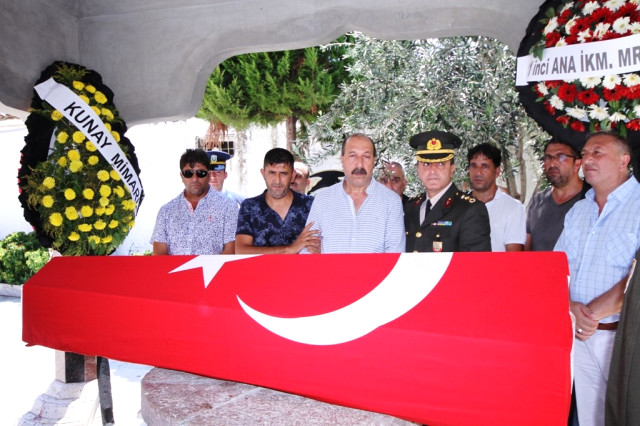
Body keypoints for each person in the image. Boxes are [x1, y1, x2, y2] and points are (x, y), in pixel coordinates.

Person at [554, 131, 640, 426]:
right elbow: (557, 269)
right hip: (579, 335)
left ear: (623, 161)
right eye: (585, 154)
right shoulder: (579, 211)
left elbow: (637, 278)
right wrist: (571, 308)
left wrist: (591, 313)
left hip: (624, 338)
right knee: (591, 419)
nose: (587, 159)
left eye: (597, 153)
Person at [304, 133, 405, 253]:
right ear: (342, 159)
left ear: (374, 160)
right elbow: (307, 250)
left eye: (366, 156)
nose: (359, 164)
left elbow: (395, 255)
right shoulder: (323, 199)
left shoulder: (391, 201)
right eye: (353, 156)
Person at [404, 130, 491, 252]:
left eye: (440, 164)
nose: (432, 171)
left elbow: (475, 262)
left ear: (452, 169)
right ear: (418, 169)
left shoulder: (470, 210)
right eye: (426, 164)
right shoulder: (410, 207)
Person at [151, 149, 238, 255]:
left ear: (208, 175)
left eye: (201, 173)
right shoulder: (166, 211)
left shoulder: (228, 207)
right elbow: (159, 256)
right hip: (174, 267)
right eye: (188, 173)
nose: (195, 179)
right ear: (182, 176)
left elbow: (231, 251)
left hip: (216, 267)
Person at [235, 148, 319, 254]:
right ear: (263, 174)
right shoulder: (250, 207)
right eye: (272, 173)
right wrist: (289, 249)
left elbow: (324, 244)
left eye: (283, 173)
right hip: (261, 266)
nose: (277, 180)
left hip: (305, 266)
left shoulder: (311, 205)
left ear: (293, 176)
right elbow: (241, 250)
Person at [525, 139, 588, 251]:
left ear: (577, 164)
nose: (553, 163)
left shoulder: (592, 199)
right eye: (548, 157)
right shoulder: (537, 201)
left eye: (561, 157)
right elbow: (526, 251)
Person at [467, 143, 526, 252]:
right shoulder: (458, 205)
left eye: (484, 166)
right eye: (473, 166)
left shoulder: (513, 208)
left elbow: (514, 257)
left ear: (497, 171)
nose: (478, 172)